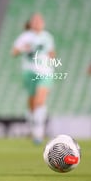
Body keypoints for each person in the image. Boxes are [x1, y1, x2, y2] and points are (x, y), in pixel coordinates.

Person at [11, 13, 55, 144]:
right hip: (29, 72)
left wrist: (51, 65)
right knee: (32, 103)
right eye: (35, 21)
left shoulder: (47, 37)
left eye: (39, 20)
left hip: (45, 72)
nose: (37, 23)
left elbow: (52, 53)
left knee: (39, 101)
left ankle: (39, 133)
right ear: (31, 23)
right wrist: (24, 48)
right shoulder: (25, 37)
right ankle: (33, 127)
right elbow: (14, 52)